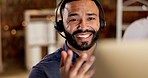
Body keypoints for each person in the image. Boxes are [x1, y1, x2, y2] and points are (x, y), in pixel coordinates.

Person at [29, 0, 106, 78]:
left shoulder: (116, 60)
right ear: (61, 26)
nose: (83, 27)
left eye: (90, 18)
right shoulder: (42, 72)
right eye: (73, 20)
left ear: (101, 23)